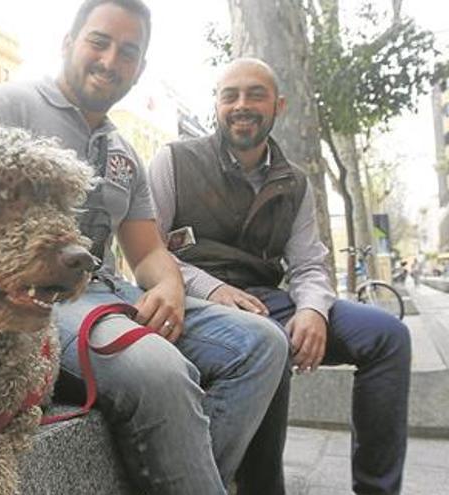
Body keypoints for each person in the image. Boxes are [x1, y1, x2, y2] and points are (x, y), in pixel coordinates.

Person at [0, 3, 288, 494]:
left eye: (128, 52)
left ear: (140, 68)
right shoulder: (8, 107)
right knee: (160, 368)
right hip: (41, 302)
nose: (111, 60)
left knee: (263, 343)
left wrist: (171, 289)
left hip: (111, 293)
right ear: (68, 43)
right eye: (99, 42)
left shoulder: (124, 153)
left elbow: (149, 252)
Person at [148, 58, 412, 495]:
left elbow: (308, 264)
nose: (241, 105)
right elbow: (146, 252)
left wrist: (312, 311)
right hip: (195, 302)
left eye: (256, 94)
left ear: (279, 105)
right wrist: (212, 288)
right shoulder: (174, 161)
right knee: (265, 338)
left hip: (269, 299)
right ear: (215, 104)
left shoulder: (296, 183)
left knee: (387, 337)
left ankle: (376, 488)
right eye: (229, 95)